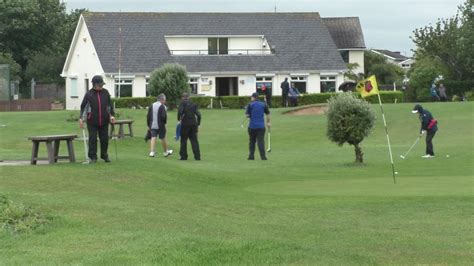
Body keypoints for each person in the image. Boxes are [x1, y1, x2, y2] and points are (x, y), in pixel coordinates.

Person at [80, 75, 116, 163]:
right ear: (94, 84)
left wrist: (112, 116)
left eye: (102, 85)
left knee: (104, 139)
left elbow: (110, 105)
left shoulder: (105, 93)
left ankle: (104, 155)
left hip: (104, 120)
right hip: (92, 121)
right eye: (100, 85)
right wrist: (81, 118)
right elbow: (83, 107)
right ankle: (93, 157)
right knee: (92, 139)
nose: (101, 86)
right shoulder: (89, 94)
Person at [246, 92, 271, 160]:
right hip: (261, 127)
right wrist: (268, 122)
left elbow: (247, 115)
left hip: (252, 127)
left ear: (254, 97)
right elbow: (268, 114)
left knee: (252, 141)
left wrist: (250, 115)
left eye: (251, 97)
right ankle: (263, 157)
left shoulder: (250, 105)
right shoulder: (263, 104)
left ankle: (251, 156)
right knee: (260, 141)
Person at [177, 93, 201, 160]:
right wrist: (198, 124)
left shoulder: (182, 103)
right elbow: (199, 115)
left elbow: (180, 112)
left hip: (185, 124)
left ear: (182, 98)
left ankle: (183, 156)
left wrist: (179, 119)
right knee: (194, 141)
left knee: (183, 140)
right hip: (193, 123)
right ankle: (197, 157)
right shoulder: (194, 104)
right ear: (189, 97)